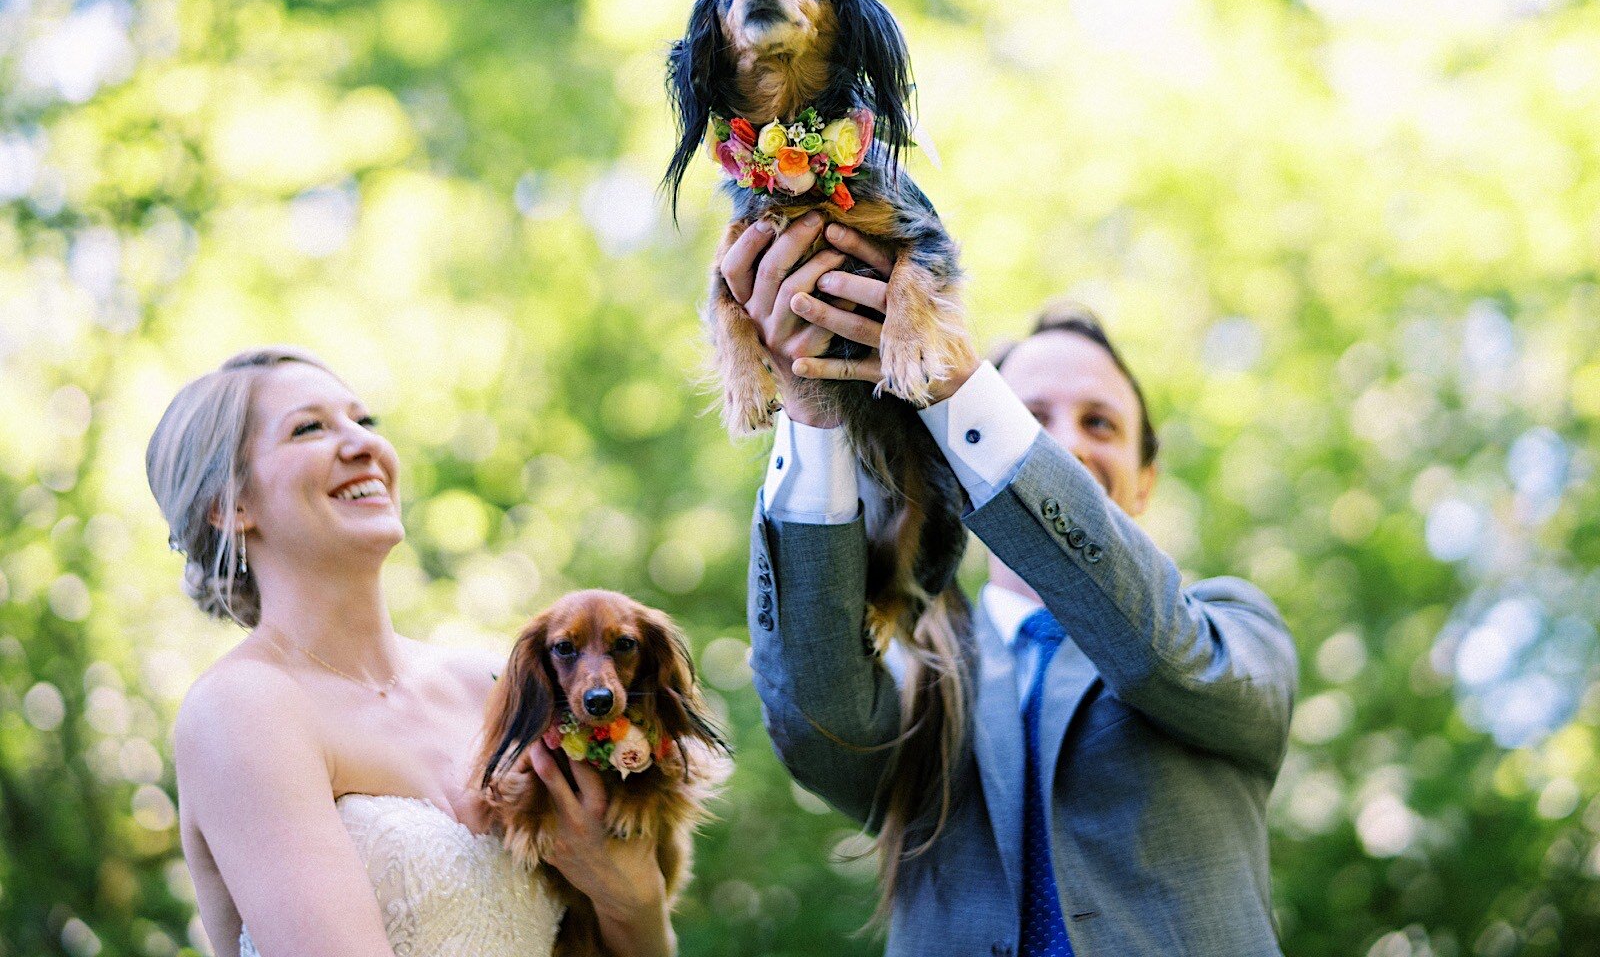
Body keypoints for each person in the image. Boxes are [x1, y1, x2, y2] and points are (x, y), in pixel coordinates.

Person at [723, 213, 1298, 956]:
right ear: (956, 459)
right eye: (1030, 416)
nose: (1064, 441)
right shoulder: (919, 665)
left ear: (1147, 480)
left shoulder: (1233, 629)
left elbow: (1163, 653)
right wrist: (811, 411)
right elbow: (816, 724)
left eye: (1100, 422)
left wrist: (960, 388)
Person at [146, 348, 675, 957]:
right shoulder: (243, 709)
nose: (363, 444)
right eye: (309, 427)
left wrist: (634, 899)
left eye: (364, 422)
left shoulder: (490, 682)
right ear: (231, 505)